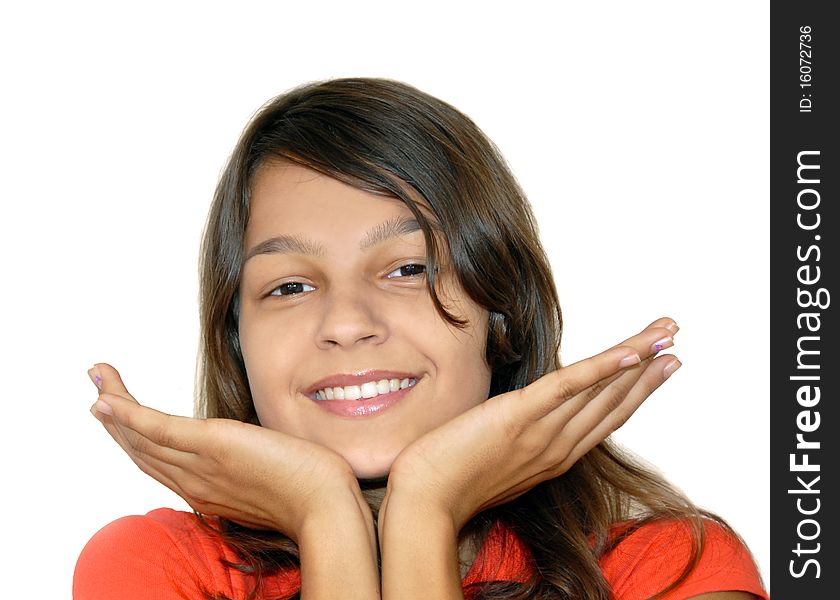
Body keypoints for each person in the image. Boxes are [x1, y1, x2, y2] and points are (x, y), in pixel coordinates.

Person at [74, 78, 768, 600]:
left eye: (408, 269)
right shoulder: (158, 569)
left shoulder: (673, 567)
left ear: (504, 313)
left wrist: (423, 509)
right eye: (289, 286)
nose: (346, 323)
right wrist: (325, 516)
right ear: (238, 344)